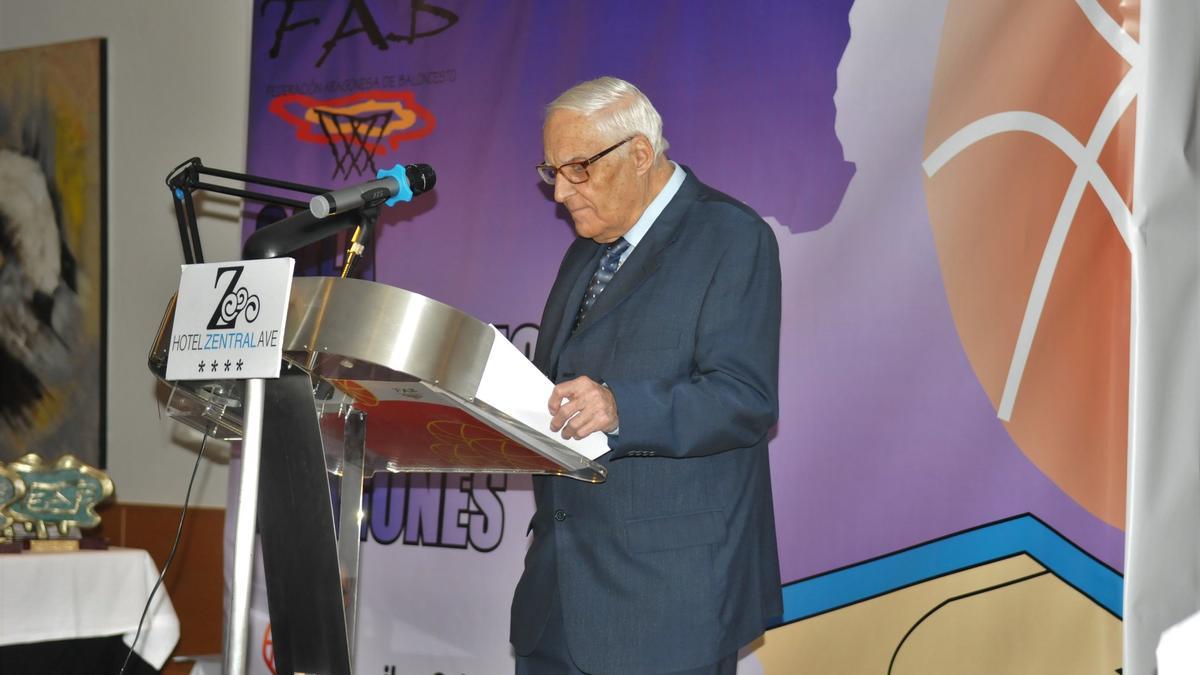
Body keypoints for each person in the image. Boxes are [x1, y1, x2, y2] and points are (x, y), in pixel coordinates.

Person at [511, 76, 782, 675]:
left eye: (576, 168)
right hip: (557, 596)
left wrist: (619, 406)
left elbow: (745, 398)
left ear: (639, 154)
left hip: (665, 603)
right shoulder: (588, 247)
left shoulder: (731, 237)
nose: (559, 191)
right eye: (551, 170)